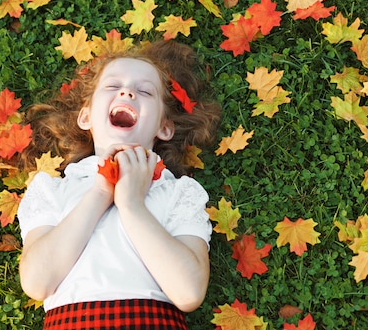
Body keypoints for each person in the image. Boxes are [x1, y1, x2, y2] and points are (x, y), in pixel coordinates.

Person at [16, 40, 221, 329]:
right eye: (113, 87)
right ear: (86, 116)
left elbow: (188, 293)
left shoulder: (178, 193)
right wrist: (100, 193)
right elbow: (38, 283)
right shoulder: (53, 190)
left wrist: (132, 205)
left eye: (145, 91)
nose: (127, 92)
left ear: (164, 126)